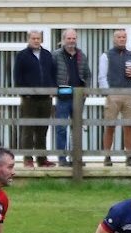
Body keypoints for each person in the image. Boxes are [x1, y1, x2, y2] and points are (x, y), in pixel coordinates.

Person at [97, 29, 131, 167]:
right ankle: (107, 156)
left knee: (129, 126)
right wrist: (108, 93)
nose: (121, 39)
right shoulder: (106, 55)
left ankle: (129, 156)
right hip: (113, 93)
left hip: (129, 93)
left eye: (123, 37)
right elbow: (102, 77)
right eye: (119, 37)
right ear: (114, 39)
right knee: (110, 126)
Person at [13, 30, 57, 168]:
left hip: (45, 99)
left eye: (38, 38)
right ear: (29, 39)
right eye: (33, 38)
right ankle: (27, 158)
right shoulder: (22, 56)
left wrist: (52, 90)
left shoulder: (47, 55)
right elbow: (17, 77)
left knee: (42, 130)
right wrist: (24, 93)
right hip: (29, 99)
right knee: (28, 129)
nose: (36, 41)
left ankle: (42, 159)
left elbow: (53, 74)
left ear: (41, 40)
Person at [51, 29, 90, 167]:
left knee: (77, 128)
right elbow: (51, 74)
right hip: (63, 96)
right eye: (69, 38)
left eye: (74, 38)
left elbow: (87, 74)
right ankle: (62, 159)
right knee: (61, 127)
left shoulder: (81, 55)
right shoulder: (56, 55)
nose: (71, 41)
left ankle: (76, 158)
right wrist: (53, 90)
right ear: (63, 39)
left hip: (78, 97)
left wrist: (86, 89)